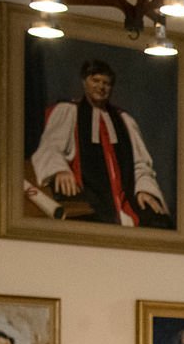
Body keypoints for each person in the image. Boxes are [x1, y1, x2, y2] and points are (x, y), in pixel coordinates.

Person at [30, 57, 171, 227]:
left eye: (106, 83)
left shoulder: (124, 120)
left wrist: (144, 189)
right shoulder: (69, 112)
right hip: (86, 198)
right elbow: (50, 147)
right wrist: (59, 170)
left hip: (126, 201)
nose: (101, 87)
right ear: (84, 81)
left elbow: (140, 164)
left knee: (159, 223)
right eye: (95, 80)